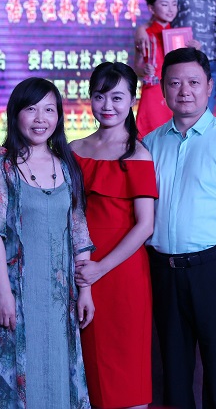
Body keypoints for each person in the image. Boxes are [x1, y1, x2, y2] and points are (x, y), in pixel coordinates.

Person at [142, 47, 216, 409]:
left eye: (193, 82)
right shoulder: (150, 143)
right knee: (174, 373)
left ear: (210, 86)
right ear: (163, 89)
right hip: (163, 271)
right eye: (174, 83)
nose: (184, 91)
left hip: (214, 271)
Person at [0, 77, 95, 409]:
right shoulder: (1, 169)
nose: (40, 119)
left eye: (49, 110)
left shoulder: (67, 167)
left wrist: (85, 291)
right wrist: (3, 294)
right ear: (15, 114)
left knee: (59, 376)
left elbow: (79, 233)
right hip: (18, 298)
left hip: (61, 301)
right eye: (31, 109)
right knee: (22, 383)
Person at [71, 62, 157, 409]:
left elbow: (145, 225)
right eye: (100, 96)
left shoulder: (138, 153)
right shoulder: (73, 149)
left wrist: (100, 268)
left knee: (127, 370)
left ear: (132, 101)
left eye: (117, 97)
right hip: (79, 267)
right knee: (89, 369)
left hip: (122, 272)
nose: (108, 105)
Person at [135, 0, 182, 137]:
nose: (171, 9)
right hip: (153, 90)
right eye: (164, 4)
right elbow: (137, 66)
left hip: (174, 89)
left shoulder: (179, 35)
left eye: (174, 4)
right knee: (150, 135)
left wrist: (194, 49)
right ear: (151, 8)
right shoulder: (145, 33)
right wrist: (144, 70)